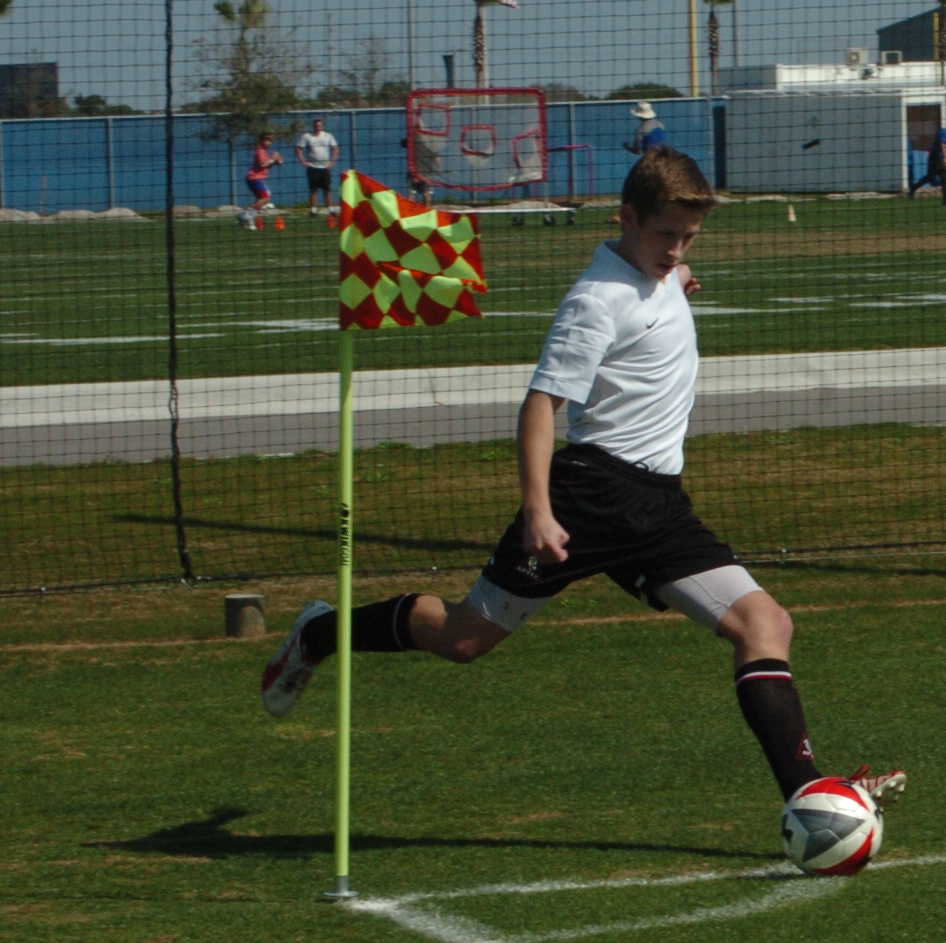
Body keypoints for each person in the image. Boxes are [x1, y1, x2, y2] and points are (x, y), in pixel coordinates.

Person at [258, 147, 903, 822]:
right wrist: (538, 510)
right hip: (587, 500)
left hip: (659, 506)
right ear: (626, 218)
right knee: (464, 639)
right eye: (665, 235)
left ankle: (809, 799)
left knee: (766, 623)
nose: (676, 250)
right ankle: (320, 633)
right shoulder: (594, 302)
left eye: (688, 238)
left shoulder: (659, 273)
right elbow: (541, 406)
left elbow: (661, 283)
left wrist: (678, 276)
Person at [296, 118, 340, 215]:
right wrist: (303, 161)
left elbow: (335, 148)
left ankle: (330, 209)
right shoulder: (307, 137)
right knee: (313, 189)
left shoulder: (328, 136)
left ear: (322, 126)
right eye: (316, 126)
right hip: (312, 167)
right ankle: (313, 209)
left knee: (327, 189)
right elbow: (298, 149)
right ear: (313, 126)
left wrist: (332, 162)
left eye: (320, 125)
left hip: (325, 167)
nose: (318, 127)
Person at [907, 116, 946, 203]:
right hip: (936, 159)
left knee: (943, 178)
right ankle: (913, 188)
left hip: (939, 158)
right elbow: (943, 145)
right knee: (933, 177)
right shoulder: (944, 132)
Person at [241, 133, 282, 229]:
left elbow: (266, 166)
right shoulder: (260, 151)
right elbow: (262, 165)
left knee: (262, 199)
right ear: (261, 141)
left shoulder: (264, 152)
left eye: (270, 141)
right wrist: (272, 159)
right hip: (255, 178)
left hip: (257, 178)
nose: (269, 143)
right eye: (267, 140)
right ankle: (247, 216)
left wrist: (276, 161)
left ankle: (246, 217)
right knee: (265, 198)